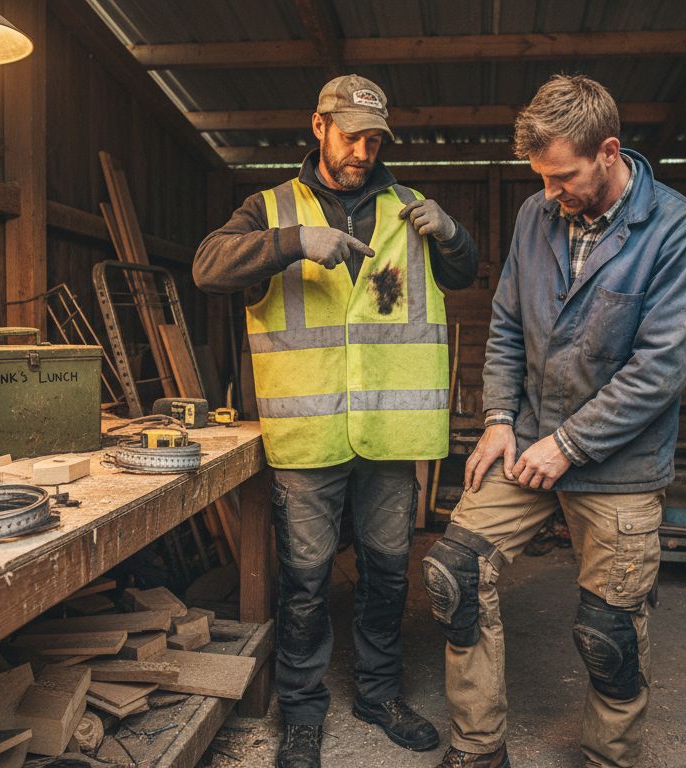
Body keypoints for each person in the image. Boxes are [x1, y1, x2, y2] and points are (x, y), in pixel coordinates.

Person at [423, 74, 686, 768]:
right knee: (453, 574)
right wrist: (499, 418)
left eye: (562, 178)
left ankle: (607, 759)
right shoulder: (536, 216)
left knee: (608, 631)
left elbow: (661, 370)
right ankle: (477, 750)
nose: (550, 193)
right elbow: (504, 323)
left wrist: (571, 442)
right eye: (541, 179)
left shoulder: (679, 231)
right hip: (529, 439)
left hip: (619, 461)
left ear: (609, 151)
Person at [194, 74, 478, 768]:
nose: (362, 149)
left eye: (374, 137)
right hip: (309, 432)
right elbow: (207, 266)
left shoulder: (409, 207)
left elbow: (464, 273)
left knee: (387, 573)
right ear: (317, 126)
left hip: (388, 432)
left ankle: (379, 694)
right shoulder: (269, 208)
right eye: (351, 134)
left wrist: (454, 233)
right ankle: (302, 711)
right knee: (305, 581)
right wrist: (291, 242)